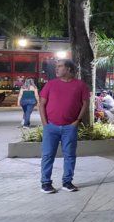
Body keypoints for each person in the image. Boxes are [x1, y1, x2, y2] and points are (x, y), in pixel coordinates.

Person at [38, 60, 90, 193]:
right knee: (48, 155)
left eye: (60, 66)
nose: (56, 69)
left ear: (68, 69)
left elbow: (85, 104)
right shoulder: (50, 84)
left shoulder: (80, 85)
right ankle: (45, 183)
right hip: (51, 127)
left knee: (70, 155)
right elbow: (41, 104)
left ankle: (67, 182)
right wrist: (45, 124)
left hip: (70, 127)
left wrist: (77, 121)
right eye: (56, 66)